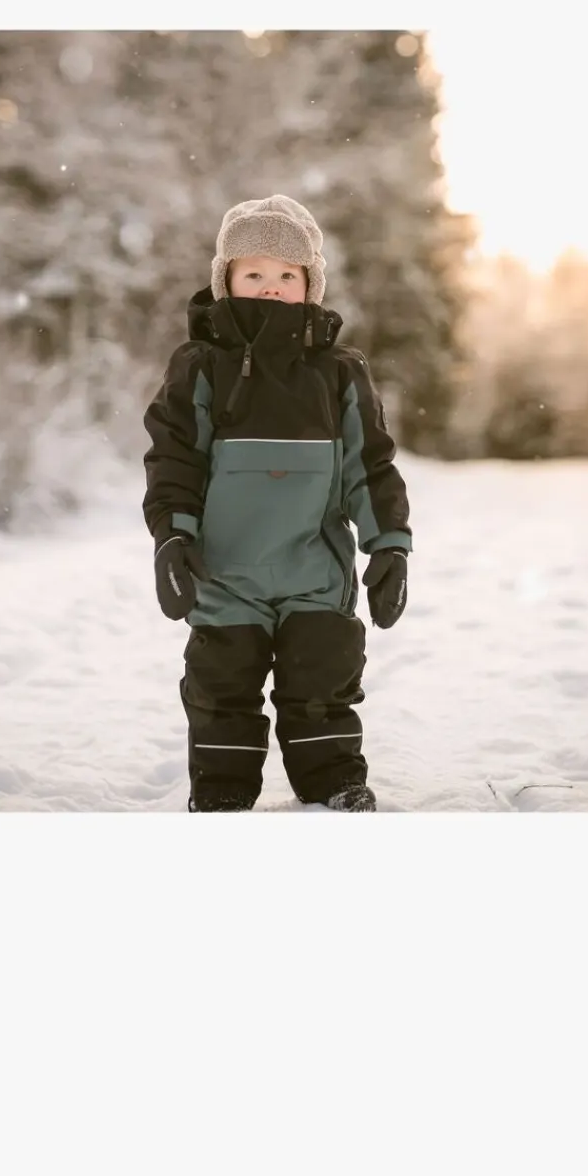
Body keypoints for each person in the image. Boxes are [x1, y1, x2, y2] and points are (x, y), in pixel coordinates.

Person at [142, 193, 412, 813]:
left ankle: (334, 785)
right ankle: (222, 795)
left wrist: (390, 546)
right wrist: (173, 536)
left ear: (310, 285)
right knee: (220, 691)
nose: (271, 287)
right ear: (226, 280)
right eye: (254, 273)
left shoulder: (339, 372)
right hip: (223, 571)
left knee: (323, 683)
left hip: (314, 571)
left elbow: (369, 467)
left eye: (288, 275)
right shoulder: (199, 367)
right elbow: (175, 458)